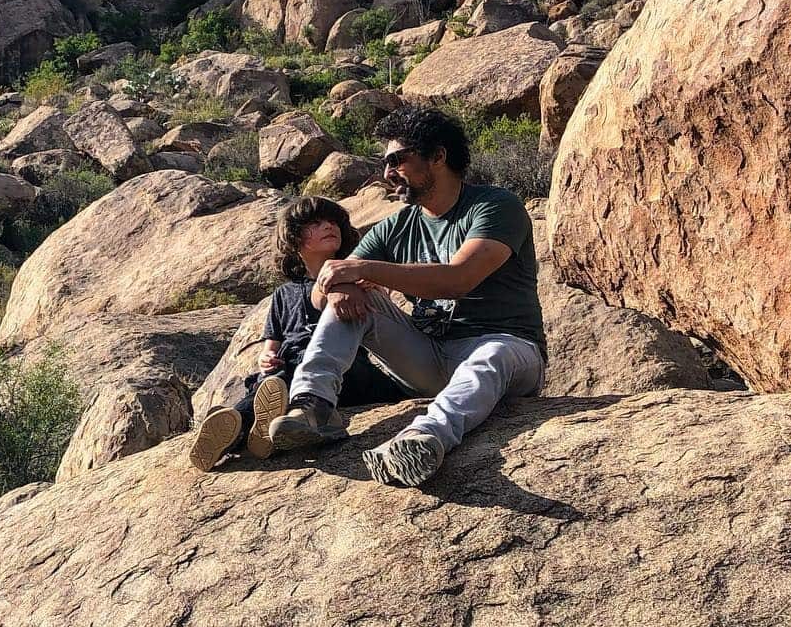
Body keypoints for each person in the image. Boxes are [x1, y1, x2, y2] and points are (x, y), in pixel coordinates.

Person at [267, 104, 547, 488]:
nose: (387, 173)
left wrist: (360, 271)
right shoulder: (398, 225)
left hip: (508, 349)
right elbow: (320, 296)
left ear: (437, 156)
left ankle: (423, 439)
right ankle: (312, 407)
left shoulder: (496, 207)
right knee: (349, 301)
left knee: (491, 356)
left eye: (397, 159)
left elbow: (458, 279)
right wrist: (339, 286)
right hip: (430, 356)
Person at [188, 196, 402, 471]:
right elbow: (271, 344)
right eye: (316, 223)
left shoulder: (355, 275)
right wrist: (267, 358)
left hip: (344, 371)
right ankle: (244, 432)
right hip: (291, 369)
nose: (329, 226)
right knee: (272, 379)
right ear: (294, 239)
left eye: (333, 222)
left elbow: (379, 314)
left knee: (285, 379)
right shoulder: (283, 295)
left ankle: (243, 423)